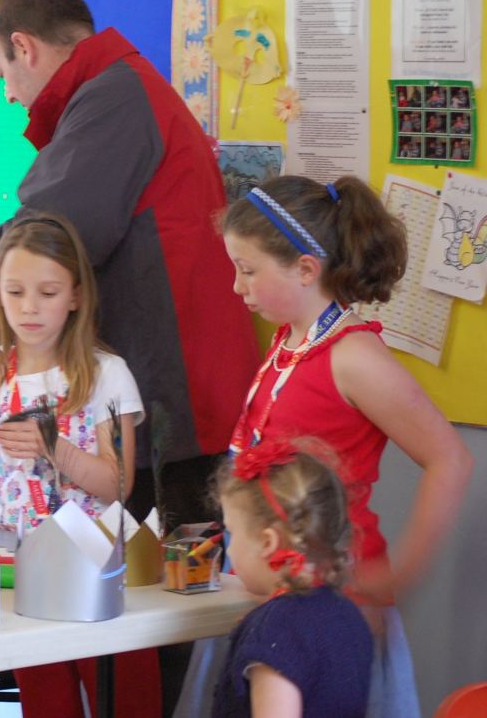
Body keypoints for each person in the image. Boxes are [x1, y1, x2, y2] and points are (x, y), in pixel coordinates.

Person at [0, 0, 258, 544]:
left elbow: (56, 235)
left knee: (154, 579)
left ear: (24, 47)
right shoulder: (123, 87)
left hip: (174, 386)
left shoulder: (114, 97)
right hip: (180, 377)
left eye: (1, 73)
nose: (7, 94)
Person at [219, 175, 473, 716]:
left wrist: (401, 572)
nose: (237, 287)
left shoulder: (353, 357)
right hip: (276, 594)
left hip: (336, 600)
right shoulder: (287, 340)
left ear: (305, 269)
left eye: (248, 270)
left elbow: (451, 457)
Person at [0, 212, 152, 718]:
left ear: (76, 296)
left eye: (48, 293)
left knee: (126, 700)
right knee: (46, 704)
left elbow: (118, 485)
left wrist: (55, 448)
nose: (29, 307)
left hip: (97, 573)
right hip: (21, 572)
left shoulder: (107, 375)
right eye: (15, 292)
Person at [213, 438, 373, 717]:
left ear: (267, 543)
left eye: (231, 533)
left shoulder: (276, 629)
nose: (229, 546)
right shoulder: (347, 613)